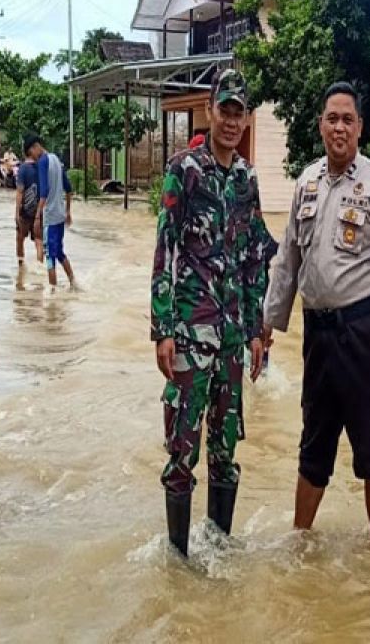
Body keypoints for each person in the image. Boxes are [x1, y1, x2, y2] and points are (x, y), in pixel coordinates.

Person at [262, 81, 370, 542]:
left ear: (360, 128)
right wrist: (268, 322)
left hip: (363, 332)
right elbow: (287, 257)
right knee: (314, 440)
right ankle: (299, 540)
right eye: (332, 118)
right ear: (320, 125)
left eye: (348, 119)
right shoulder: (306, 183)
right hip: (319, 336)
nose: (339, 128)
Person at [150, 68, 273, 557]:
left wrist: (258, 330)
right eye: (224, 109)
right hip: (188, 336)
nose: (230, 120)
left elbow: (254, 259)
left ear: (245, 119)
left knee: (226, 450)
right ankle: (179, 559)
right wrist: (162, 329)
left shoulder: (247, 180)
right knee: (183, 450)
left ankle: (219, 549)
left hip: (231, 342)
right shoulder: (185, 170)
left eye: (238, 112)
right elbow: (165, 249)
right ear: (209, 110)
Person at [23, 136, 75, 288]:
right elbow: (69, 188)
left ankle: (52, 292)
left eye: (30, 153)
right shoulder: (56, 159)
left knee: (50, 257)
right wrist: (68, 212)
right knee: (59, 252)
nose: (32, 158)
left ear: (35, 147)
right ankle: (73, 282)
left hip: (50, 217)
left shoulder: (43, 162)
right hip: (60, 215)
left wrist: (38, 216)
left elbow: (44, 192)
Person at [15, 148, 43, 265]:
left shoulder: (22, 169)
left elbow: (20, 192)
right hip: (39, 210)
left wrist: (16, 212)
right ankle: (40, 267)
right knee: (39, 240)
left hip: (25, 211)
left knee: (20, 238)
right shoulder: (41, 168)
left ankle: (21, 267)